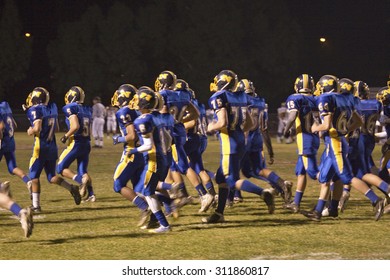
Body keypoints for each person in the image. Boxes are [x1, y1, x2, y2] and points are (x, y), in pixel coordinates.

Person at [301, 75, 387, 221]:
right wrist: (345, 130)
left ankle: (375, 200)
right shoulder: (344, 98)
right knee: (328, 178)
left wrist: (316, 128)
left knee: (348, 176)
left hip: (335, 143)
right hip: (339, 141)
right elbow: (358, 121)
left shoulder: (326, 99)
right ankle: (323, 210)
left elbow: (327, 125)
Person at [202, 70, 274, 224]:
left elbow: (222, 122)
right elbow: (249, 123)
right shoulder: (241, 96)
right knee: (221, 178)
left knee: (232, 180)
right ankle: (219, 213)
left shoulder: (218, 97)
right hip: (241, 141)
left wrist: (210, 126)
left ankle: (263, 193)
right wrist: (239, 133)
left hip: (230, 144)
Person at [155, 71, 214, 213]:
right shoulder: (183, 95)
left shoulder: (163, 95)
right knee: (174, 166)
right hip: (180, 132)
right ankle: (180, 195)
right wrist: (179, 120)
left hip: (171, 134)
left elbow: (163, 115)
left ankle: (203, 194)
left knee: (183, 166)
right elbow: (195, 114)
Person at [235, 79, 292, 206]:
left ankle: (233, 197)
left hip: (245, 138)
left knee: (234, 170)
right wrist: (270, 151)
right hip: (257, 139)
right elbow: (264, 129)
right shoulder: (261, 102)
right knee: (257, 170)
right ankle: (282, 184)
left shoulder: (241, 102)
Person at [23, 87, 81, 212]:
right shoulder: (51, 108)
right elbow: (57, 128)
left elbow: (37, 127)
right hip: (52, 147)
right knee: (51, 177)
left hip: (40, 148)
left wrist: (30, 130)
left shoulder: (35, 109)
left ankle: (36, 206)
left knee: (34, 177)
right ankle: (72, 188)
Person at [131, 87, 173, 233]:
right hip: (162, 157)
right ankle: (172, 197)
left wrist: (133, 150)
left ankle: (164, 224)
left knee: (147, 192)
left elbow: (148, 145)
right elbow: (168, 138)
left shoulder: (143, 120)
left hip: (153, 160)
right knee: (149, 189)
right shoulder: (157, 116)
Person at [111, 84, 153, 227]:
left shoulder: (124, 111)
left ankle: (144, 208)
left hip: (132, 152)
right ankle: (155, 217)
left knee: (118, 184)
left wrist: (119, 139)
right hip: (142, 153)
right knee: (139, 188)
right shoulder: (136, 110)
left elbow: (132, 135)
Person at [283, 74, 320, 213]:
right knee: (301, 172)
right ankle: (296, 203)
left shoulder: (296, 98)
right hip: (313, 138)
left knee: (314, 173)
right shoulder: (315, 99)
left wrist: (286, 130)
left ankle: (330, 198)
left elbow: (292, 116)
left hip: (305, 139)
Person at [56, 86, 96, 202]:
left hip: (76, 143)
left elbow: (75, 126)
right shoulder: (86, 109)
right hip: (86, 143)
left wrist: (66, 136)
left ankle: (80, 181)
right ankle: (91, 194)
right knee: (83, 171)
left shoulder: (70, 107)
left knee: (60, 168)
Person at [0, 101, 32, 195]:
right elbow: (14, 125)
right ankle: (28, 181)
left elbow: (1, 126)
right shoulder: (5, 107)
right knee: (13, 167)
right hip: (10, 141)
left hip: (2, 142)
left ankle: (2, 188)